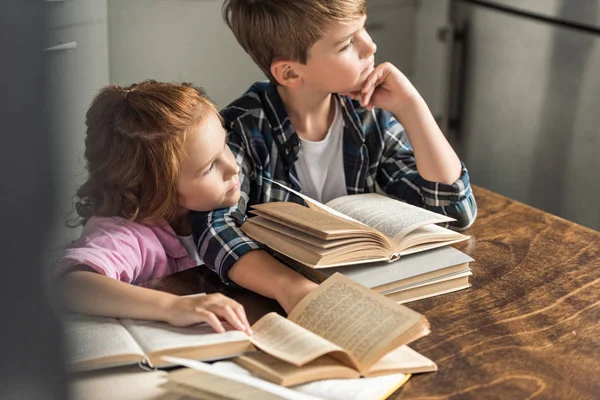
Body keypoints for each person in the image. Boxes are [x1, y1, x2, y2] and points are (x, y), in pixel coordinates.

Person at [190, 0, 477, 308]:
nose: (370, 46)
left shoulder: (368, 117)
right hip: (282, 302)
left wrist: (412, 108)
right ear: (289, 73)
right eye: (346, 44)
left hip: (374, 294)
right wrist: (289, 287)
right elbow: (214, 228)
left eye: (363, 28)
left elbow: (455, 212)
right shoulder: (243, 129)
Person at [55, 80, 254, 334]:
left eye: (225, 145)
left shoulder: (217, 208)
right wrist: (172, 306)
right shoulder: (126, 234)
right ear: (156, 189)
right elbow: (72, 285)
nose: (233, 167)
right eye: (209, 167)